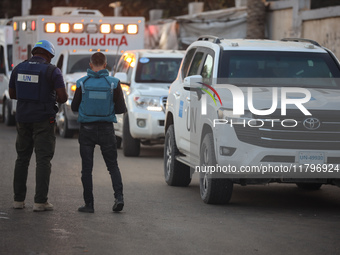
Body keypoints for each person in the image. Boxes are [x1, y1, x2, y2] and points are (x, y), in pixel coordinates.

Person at [9, 40, 68, 212]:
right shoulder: (52, 71)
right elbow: (63, 97)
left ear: (34, 52)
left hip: (23, 119)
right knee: (43, 159)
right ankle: (40, 202)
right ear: (49, 55)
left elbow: (13, 94)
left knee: (22, 158)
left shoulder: (19, 68)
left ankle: (18, 200)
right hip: (44, 120)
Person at [71, 52, 126, 213]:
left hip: (86, 131)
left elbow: (74, 107)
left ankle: (89, 204)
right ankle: (119, 198)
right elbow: (121, 109)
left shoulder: (82, 83)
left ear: (90, 65)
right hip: (106, 130)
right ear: (105, 64)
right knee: (113, 166)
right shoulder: (114, 83)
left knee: (86, 169)